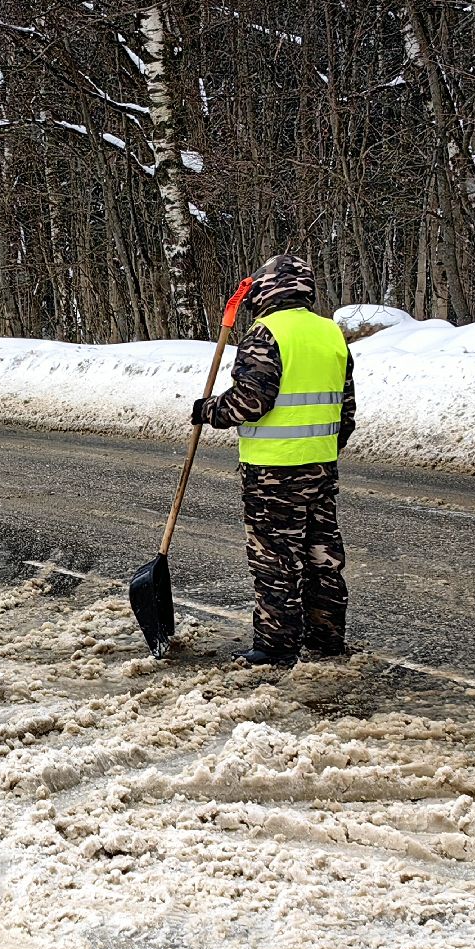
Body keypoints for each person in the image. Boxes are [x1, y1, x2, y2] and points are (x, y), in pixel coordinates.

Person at [192, 253, 356, 667]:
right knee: (322, 555)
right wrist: (324, 451)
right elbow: (346, 410)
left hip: (272, 473)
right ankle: (326, 639)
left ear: (267, 290)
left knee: (276, 558)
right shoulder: (331, 333)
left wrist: (209, 410)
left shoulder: (266, 334)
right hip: (320, 468)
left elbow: (250, 402)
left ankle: (275, 646)